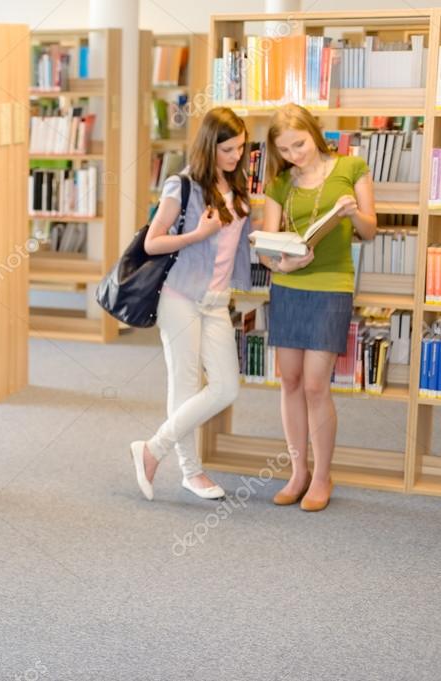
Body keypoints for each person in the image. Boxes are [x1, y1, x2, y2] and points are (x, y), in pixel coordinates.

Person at [129, 107, 252, 501]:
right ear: (209, 146)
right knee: (184, 385)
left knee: (226, 387)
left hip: (216, 302)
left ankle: (152, 449)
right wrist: (198, 234)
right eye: (228, 149)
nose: (236, 156)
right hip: (180, 297)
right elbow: (153, 242)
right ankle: (191, 472)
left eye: (241, 148)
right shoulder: (181, 185)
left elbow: (238, 245)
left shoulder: (238, 186)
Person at [260, 103, 376, 512]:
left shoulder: (351, 168)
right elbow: (266, 248)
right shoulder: (279, 183)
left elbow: (370, 231)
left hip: (331, 286)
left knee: (314, 385)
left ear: (314, 133)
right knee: (290, 381)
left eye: (300, 144)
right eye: (285, 149)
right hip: (288, 286)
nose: (294, 154)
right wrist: (282, 264)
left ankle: (323, 475)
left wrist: (352, 212)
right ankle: (298, 472)